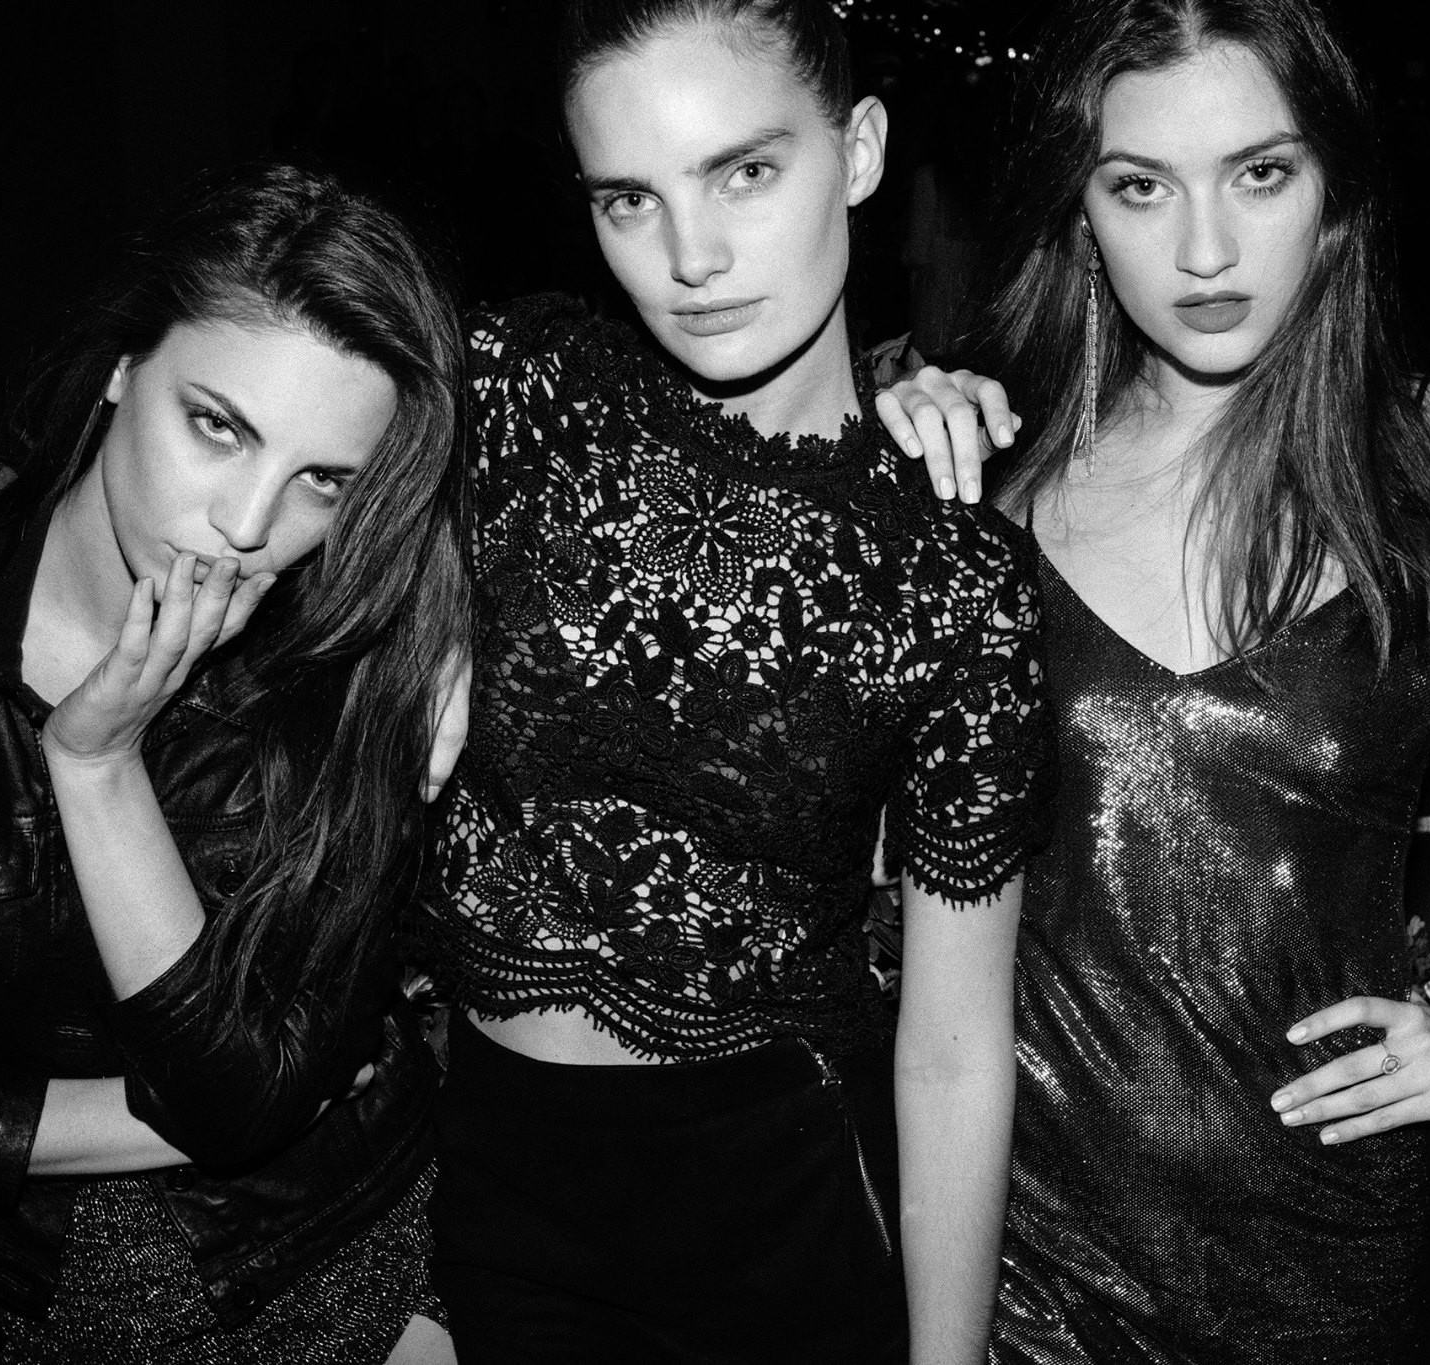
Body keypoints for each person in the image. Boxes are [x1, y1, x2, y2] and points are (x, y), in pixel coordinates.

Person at [875, 0, 1430, 1359]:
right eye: (1140, 186)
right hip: (1032, 1255)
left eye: (1259, 174)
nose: (1205, 249)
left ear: (1333, 187)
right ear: (1079, 214)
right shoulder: (995, 483)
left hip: (1325, 1253)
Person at [0, 165, 472, 1364]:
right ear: (124, 365)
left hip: (334, 1243)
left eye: (322, 481)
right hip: (34, 1289)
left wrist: (96, 761)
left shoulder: (352, 668)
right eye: (217, 426)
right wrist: (177, 1113)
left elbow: (249, 1102)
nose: (246, 526)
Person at [417, 3, 1049, 1362]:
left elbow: (951, 1047)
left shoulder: (948, 569)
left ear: (858, 151)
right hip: (496, 1184)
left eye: (745, 172)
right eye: (628, 200)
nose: (691, 259)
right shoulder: (512, 397)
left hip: (779, 1211)